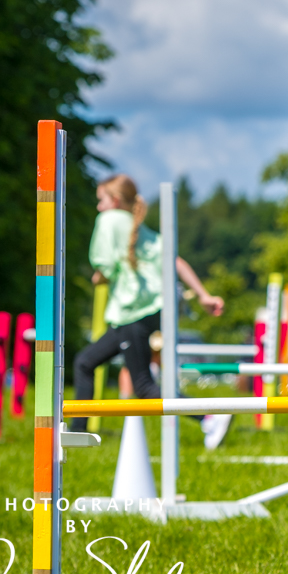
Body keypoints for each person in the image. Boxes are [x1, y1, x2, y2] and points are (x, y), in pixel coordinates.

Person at [70, 174, 233, 450]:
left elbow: (104, 265)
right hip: (146, 312)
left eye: (101, 201)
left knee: (144, 386)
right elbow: (175, 260)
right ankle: (77, 434)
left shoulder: (108, 221)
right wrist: (203, 295)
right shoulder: (139, 228)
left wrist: (100, 276)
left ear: (115, 200)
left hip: (132, 312)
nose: (98, 207)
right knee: (85, 362)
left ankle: (209, 415)